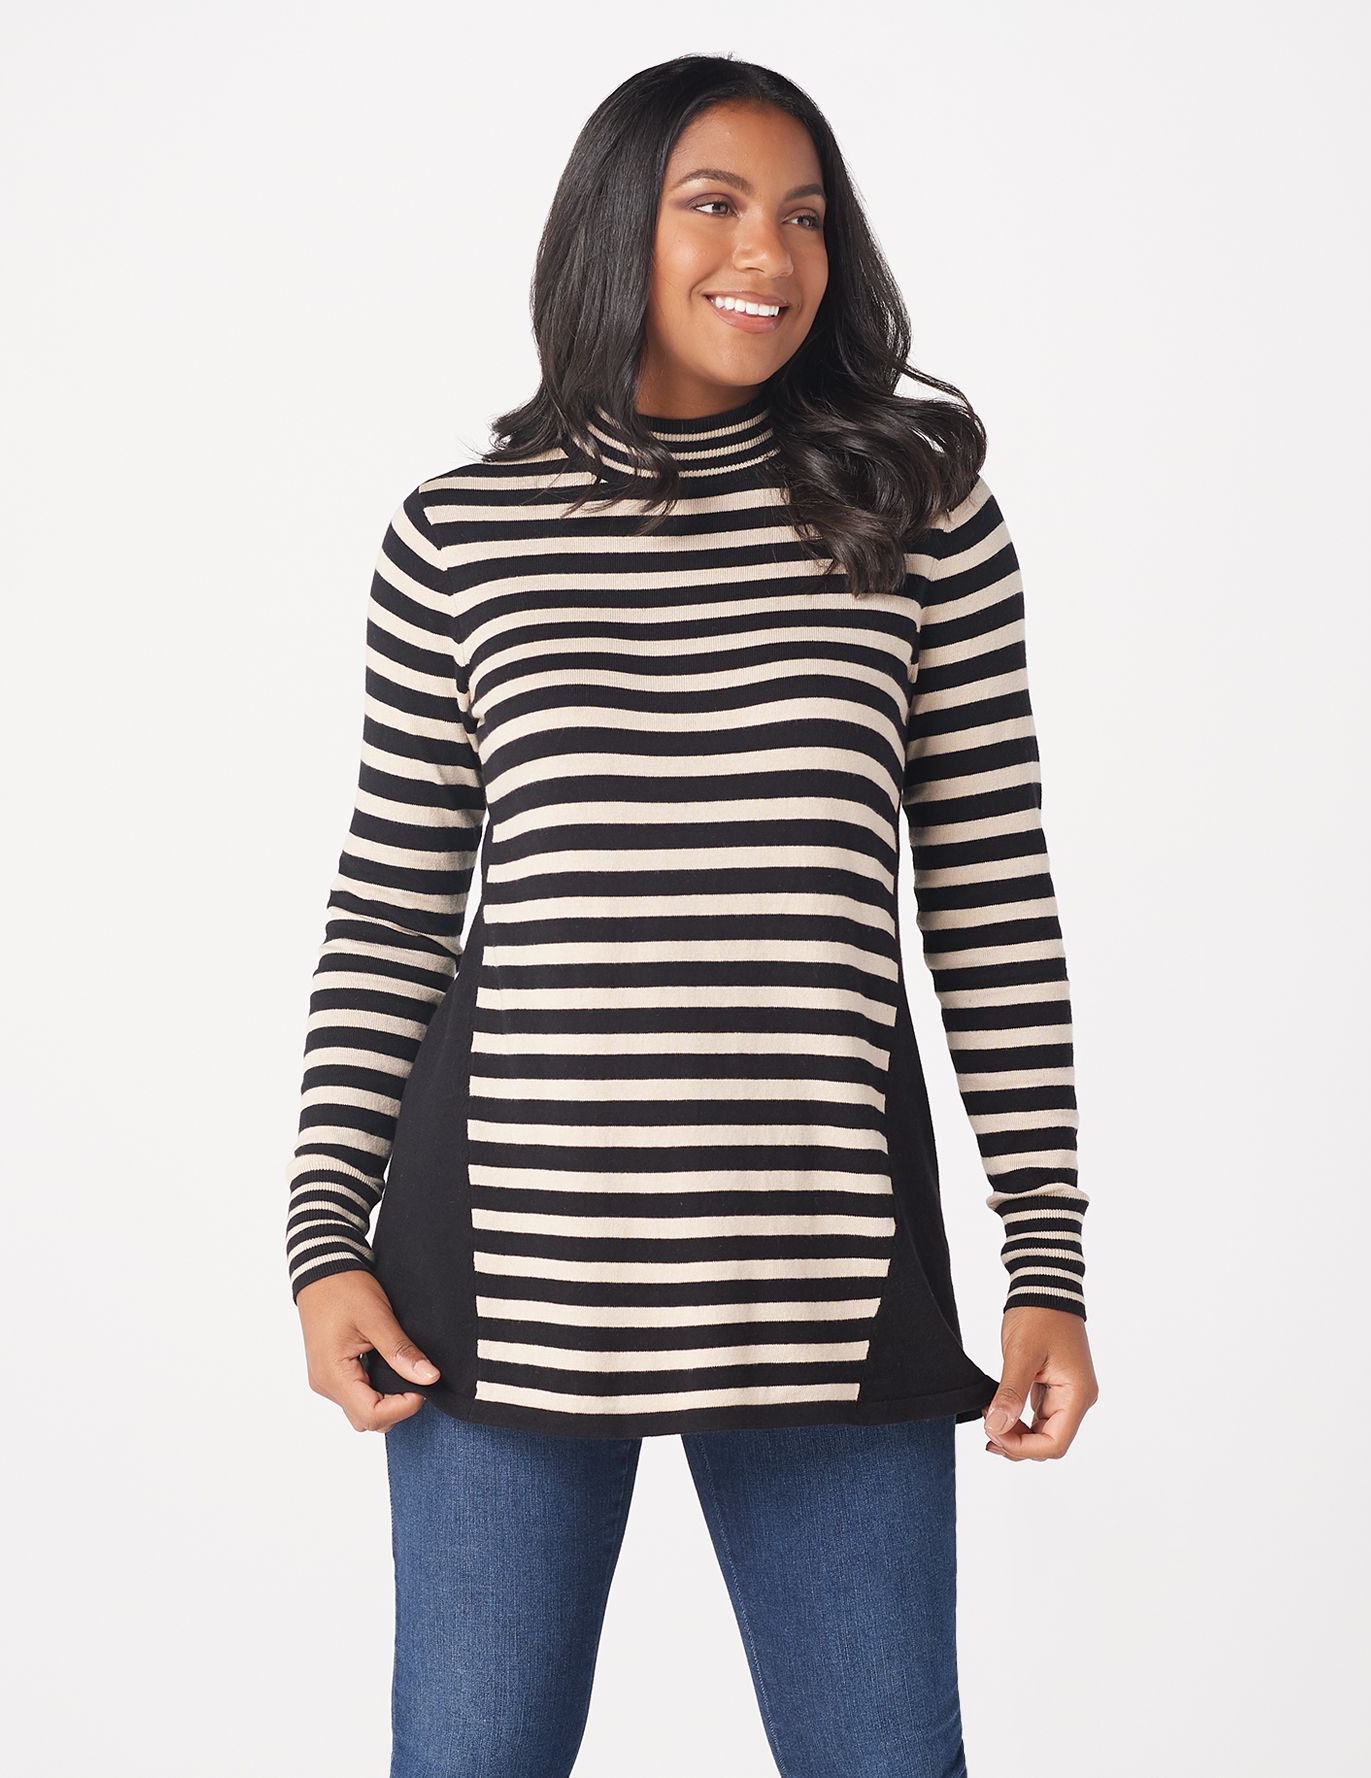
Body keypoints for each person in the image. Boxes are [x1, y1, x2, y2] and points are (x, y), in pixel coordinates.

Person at [285, 53, 1101, 1778]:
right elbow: (392, 910)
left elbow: (991, 902)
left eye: (804, 217)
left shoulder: (917, 517)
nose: (769, 256)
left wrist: (1046, 1253)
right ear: (615, 230)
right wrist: (322, 1233)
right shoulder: (461, 535)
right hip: (498, 1282)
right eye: (714, 205)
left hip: (826, 1270)